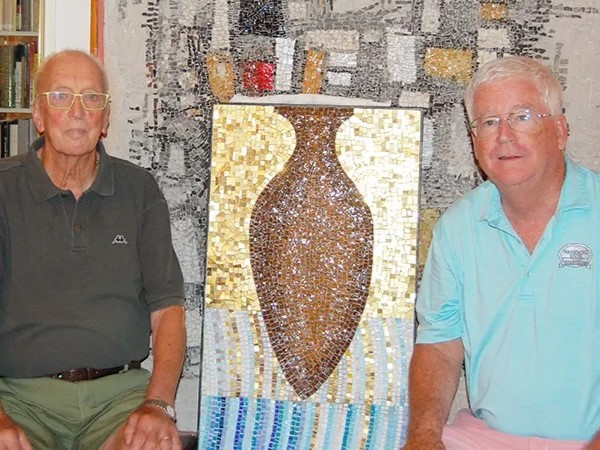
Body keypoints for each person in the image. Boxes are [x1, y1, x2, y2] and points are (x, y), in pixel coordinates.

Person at [403, 56, 600, 450]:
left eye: (522, 117)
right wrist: (423, 435)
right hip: (486, 437)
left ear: (560, 130)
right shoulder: (457, 228)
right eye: (489, 122)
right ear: (474, 142)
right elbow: (440, 345)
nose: (504, 136)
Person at [0, 49, 186, 449]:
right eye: (61, 96)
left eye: (91, 97)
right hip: (18, 398)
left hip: (119, 398)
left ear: (105, 118)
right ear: (39, 115)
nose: (78, 111)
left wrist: (158, 403)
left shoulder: (139, 191)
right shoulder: (4, 189)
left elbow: (168, 310)